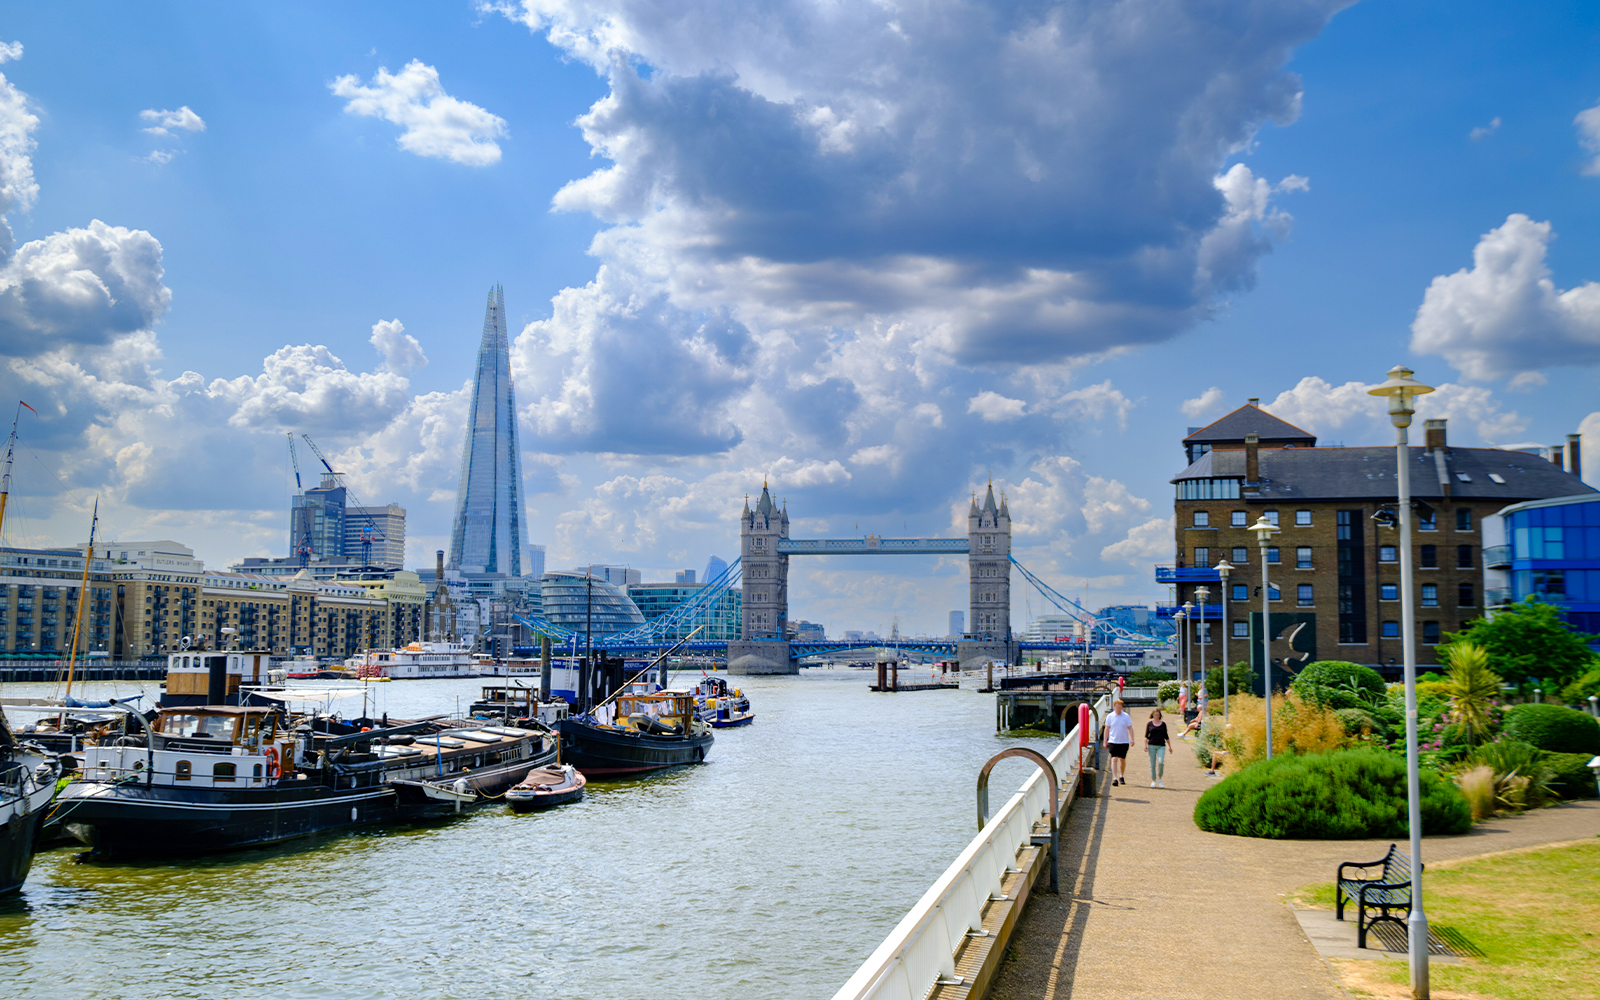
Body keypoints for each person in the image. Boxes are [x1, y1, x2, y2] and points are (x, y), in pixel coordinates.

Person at [1105, 699, 1133, 786]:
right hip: (1113, 741)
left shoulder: (1126, 716)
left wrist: (1132, 739)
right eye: (1117, 707)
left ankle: (1121, 775)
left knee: (1122, 759)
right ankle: (1115, 778)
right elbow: (1107, 728)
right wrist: (1105, 740)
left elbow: (1130, 728)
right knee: (1114, 759)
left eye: (1120, 708)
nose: (1118, 709)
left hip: (1123, 741)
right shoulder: (1110, 716)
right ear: (1114, 707)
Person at [1145, 708, 1173, 788]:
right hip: (1151, 746)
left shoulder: (1163, 724)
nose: (1156, 716)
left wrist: (1170, 747)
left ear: (1160, 715)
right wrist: (1145, 745)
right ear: (1152, 715)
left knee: (1161, 762)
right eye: (1155, 714)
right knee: (1152, 764)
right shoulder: (1149, 724)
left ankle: (1160, 779)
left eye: (1158, 715)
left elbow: (1166, 736)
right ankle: (1153, 780)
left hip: (1161, 746)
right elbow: (1146, 736)